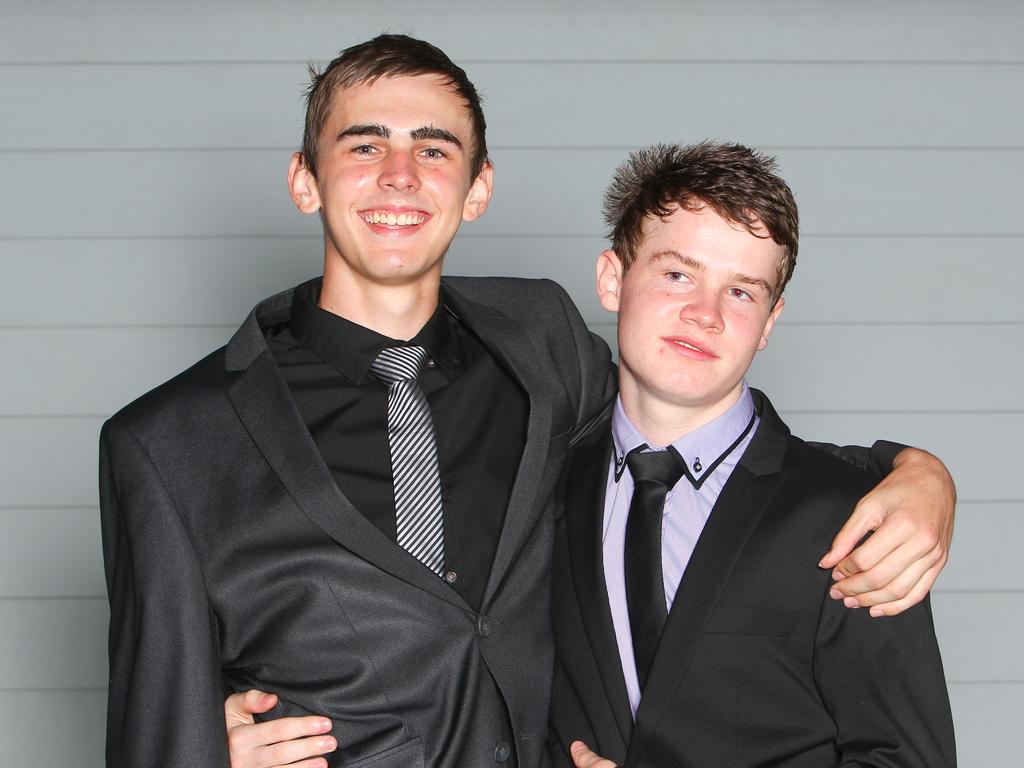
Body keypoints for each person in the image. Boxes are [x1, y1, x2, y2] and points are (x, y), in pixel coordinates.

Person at [98, 34, 953, 768]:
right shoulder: (169, 444)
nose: (400, 175)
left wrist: (916, 473)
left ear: (477, 190)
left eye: (433, 148)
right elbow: (155, 722)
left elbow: (702, 428)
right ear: (304, 180)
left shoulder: (543, 349)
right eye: (364, 145)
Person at [549, 142, 956, 767]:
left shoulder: (851, 518)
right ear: (613, 278)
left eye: (741, 292)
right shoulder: (541, 483)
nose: (704, 313)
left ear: (769, 322)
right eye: (677, 273)